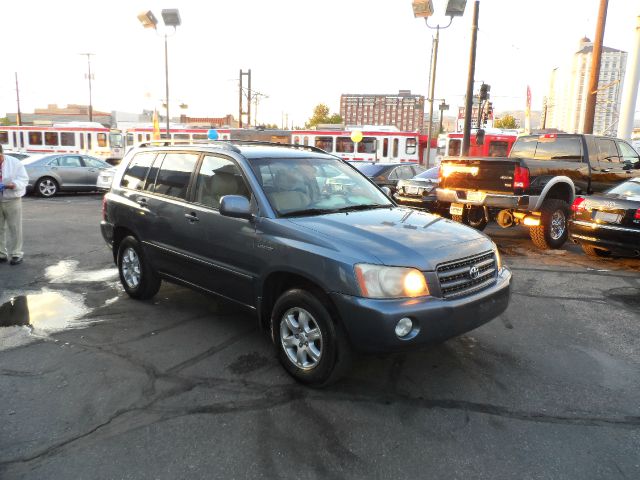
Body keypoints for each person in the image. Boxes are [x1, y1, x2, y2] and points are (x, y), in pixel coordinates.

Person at [0, 145, 29, 265]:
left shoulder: (15, 163)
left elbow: (24, 180)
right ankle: (1, 253)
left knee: (15, 228)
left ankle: (17, 254)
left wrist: (11, 185)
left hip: (12, 199)